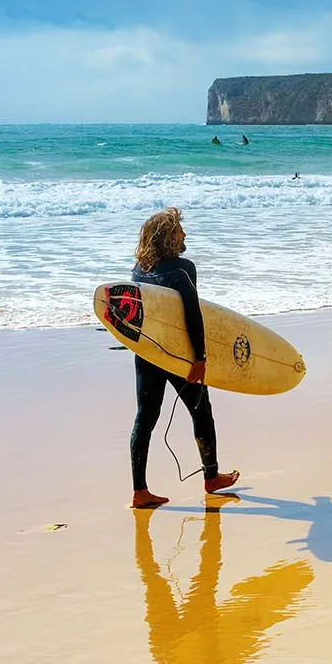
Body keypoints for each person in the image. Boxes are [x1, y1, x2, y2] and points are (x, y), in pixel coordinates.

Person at [129, 208, 239, 509]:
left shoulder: (138, 270)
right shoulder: (182, 270)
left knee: (145, 418)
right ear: (168, 237)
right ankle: (212, 477)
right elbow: (193, 316)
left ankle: (139, 491)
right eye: (180, 231)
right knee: (201, 411)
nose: (184, 235)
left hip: (149, 354)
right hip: (180, 357)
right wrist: (200, 358)